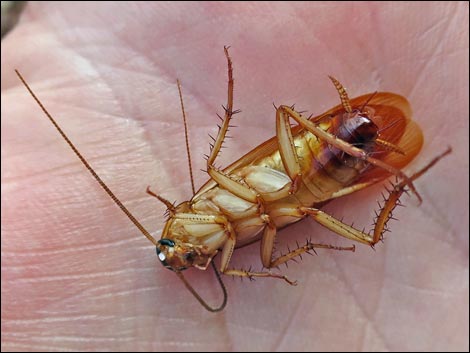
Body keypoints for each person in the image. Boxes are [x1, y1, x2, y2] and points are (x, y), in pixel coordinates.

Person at [2, 2, 468, 351]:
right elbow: (261, 252)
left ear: (173, 226)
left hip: (293, 161)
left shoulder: (199, 206)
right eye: (187, 258)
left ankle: (355, 144)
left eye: (175, 248)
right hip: (309, 196)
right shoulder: (223, 257)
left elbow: (214, 172)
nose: (185, 253)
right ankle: (407, 175)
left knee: (283, 116)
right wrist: (309, 243)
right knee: (365, 238)